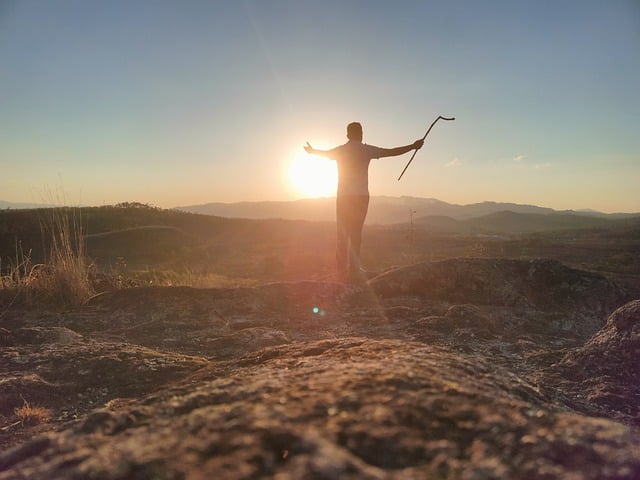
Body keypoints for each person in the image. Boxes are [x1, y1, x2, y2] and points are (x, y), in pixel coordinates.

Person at [304, 122, 423, 282]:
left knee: (342, 234)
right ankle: (354, 271)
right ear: (361, 134)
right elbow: (391, 152)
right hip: (361, 197)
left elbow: (325, 154)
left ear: (347, 135)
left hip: (344, 197)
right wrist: (413, 146)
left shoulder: (341, 150)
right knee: (356, 233)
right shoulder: (367, 150)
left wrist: (312, 151)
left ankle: (341, 273)